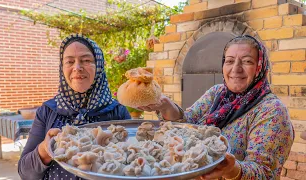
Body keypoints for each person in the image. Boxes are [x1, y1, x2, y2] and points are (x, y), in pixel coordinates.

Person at [138, 35, 294, 180]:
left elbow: (265, 173)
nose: (236, 68)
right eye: (230, 61)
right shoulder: (217, 93)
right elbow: (187, 124)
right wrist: (166, 106)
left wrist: (233, 169)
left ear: (260, 67)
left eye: (247, 61)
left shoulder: (272, 110)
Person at [18, 34, 131, 180]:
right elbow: (25, 173)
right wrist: (45, 149)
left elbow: (133, 165)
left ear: (99, 66)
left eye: (86, 60)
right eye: (70, 61)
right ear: (62, 68)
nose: (77, 67)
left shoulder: (117, 112)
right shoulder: (48, 111)